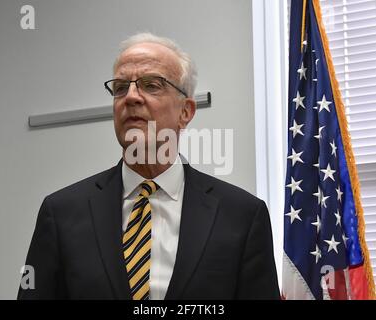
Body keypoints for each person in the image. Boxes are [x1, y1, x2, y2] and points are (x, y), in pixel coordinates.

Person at [17, 33, 280, 300]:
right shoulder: (62, 212)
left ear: (186, 112)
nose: (130, 97)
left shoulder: (241, 215)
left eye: (151, 85)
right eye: (120, 87)